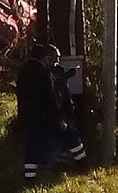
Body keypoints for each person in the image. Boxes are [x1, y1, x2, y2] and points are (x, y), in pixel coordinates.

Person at [16, 43, 83, 180]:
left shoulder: (23, 71)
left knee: (31, 149)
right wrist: (59, 119)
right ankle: (82, 165)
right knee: (72, 135)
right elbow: (50, 99)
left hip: (28, 118)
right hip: (46, 118)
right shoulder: (43, 73)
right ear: (45, 58)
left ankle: (29, 178)